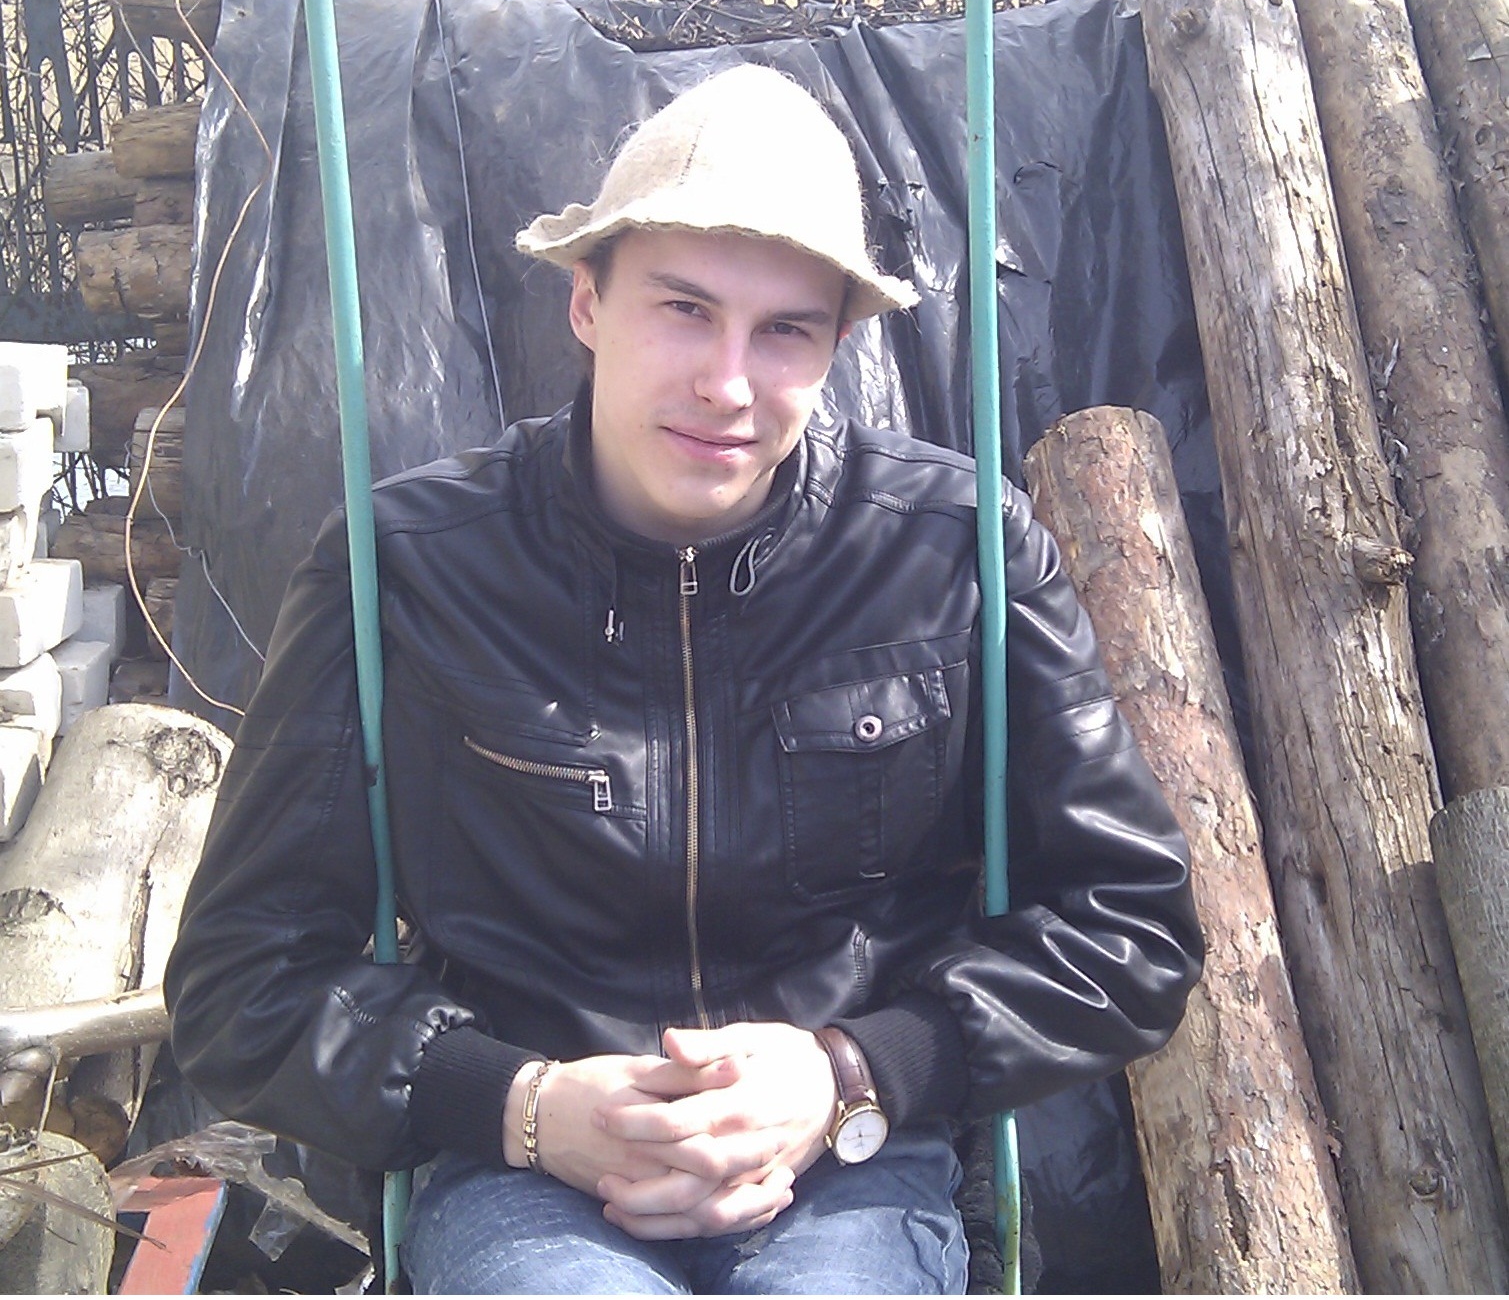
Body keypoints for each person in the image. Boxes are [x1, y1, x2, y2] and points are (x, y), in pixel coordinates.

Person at [165, 63, 1202, 1294]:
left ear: (839, 347)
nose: (727, 383)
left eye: (785, 331)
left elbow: (1131, 921)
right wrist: (521, 1102)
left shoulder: (952, 558)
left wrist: (852, 1070)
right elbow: (241, 975)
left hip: (848, 1166)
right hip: (523, 1174)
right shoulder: (412, 567)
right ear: (586, 301)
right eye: (683, 309)